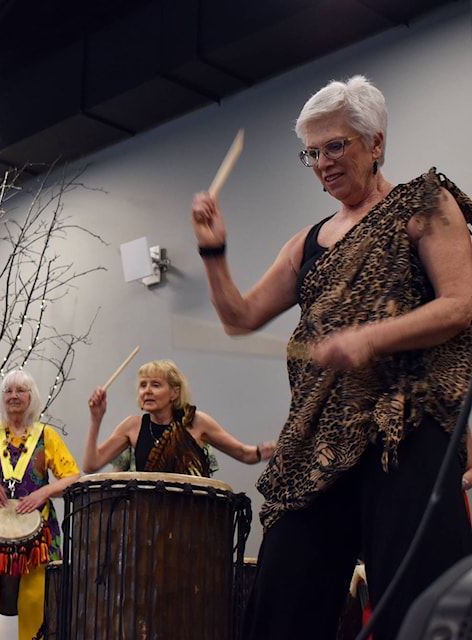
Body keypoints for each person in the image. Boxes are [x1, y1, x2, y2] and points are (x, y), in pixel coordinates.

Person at [189, 75, 472, 640]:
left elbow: (461, 304)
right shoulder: (306, 242)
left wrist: (371, 338)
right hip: (316, 441)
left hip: (404, 424)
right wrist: (213, 251)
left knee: (416, 604)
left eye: (336, 146)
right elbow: (239, 317)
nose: (322, 163)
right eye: (312, 152)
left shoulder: (422, 201)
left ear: (376, 143)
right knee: (282, 601)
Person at [0, 369, 81, 640]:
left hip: (37, 535)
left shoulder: (47, 436)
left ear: (31, 397)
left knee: (34, 602)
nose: (14, 396)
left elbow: (73, 478)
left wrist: (45, 492)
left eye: (20, 390)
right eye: (8, 391)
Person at [83, 359, 275, 474]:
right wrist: (96, 419)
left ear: (174, 393)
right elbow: (91, 465)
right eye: (143, 385)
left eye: (156, 385)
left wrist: (260, 452)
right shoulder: (132, 426)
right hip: (149, 523)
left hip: (191, 521)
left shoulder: (196, 422)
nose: (147, 391)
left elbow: (243, 453)